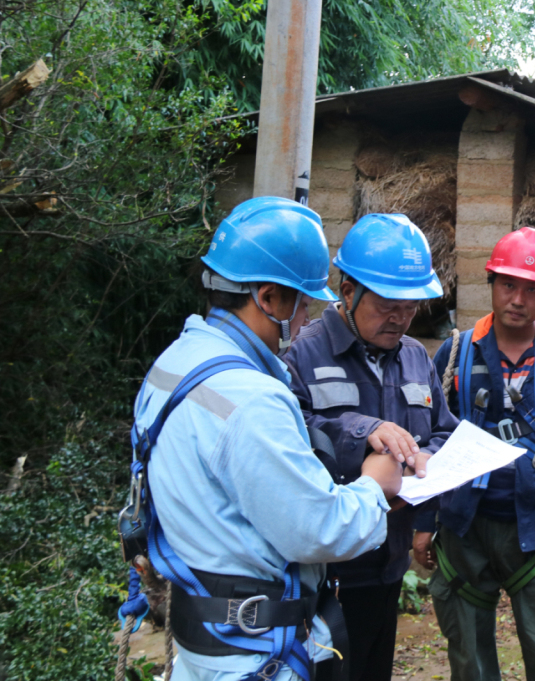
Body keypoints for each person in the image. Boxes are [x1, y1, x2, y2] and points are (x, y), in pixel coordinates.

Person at [130, 197, 411, 681]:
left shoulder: (172, 366)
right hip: (253, 654)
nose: (304, 318)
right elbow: (319, 529)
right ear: (267, 298)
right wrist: (375, 485)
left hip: (204, 645)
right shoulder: (251, 398)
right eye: (302, 303)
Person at [414, 227, 535, 681]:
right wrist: (424, 523)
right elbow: (430, 443)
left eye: (532, 289)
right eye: (508, 285)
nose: (518, 299)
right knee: (469, 660)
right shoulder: (455, 353)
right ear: (492, 285)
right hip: (465, 526)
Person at [284, 213, 460, 681]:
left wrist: (429, 460)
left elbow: (443, 430)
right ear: (347, 290)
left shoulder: (415, 357)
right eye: (386, 303)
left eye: (410, 306)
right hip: (328, 576)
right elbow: (288, 431)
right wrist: (362, 430)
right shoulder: (301, 352)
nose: (400, 317)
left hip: (388, 566)